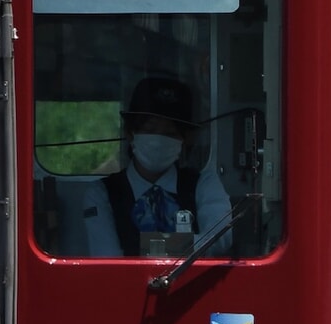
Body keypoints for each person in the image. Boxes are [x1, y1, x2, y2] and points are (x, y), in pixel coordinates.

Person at [82, 73, 232, 259]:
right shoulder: (101, 193)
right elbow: (106, 256)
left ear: (183, 140)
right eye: (150, 130)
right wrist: (183, 245)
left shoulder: (204, 184)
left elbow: (219, 240)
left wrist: (148, 246)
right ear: (131, 133)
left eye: (169, 133)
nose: (159, 140)